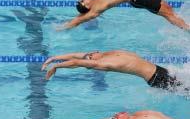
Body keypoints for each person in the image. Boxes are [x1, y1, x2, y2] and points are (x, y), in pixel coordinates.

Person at [41, 50, 186, 93]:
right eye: (90, 57)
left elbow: (78, 56)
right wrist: (56, 67)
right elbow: (77, 62)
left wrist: (54, 58)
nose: (91, 54)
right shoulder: (102, 63)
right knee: (186, 91)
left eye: (90, 54)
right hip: (155, 77)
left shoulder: (107, 54)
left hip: (159, 70)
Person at [58, 0, 189, 30]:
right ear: (87, 6)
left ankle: (185, 25)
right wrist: (61, 27)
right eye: (82, 1)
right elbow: (78, 20)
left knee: (168, 8)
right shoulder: (94, 10)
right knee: (168, 14)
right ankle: (187, 29)